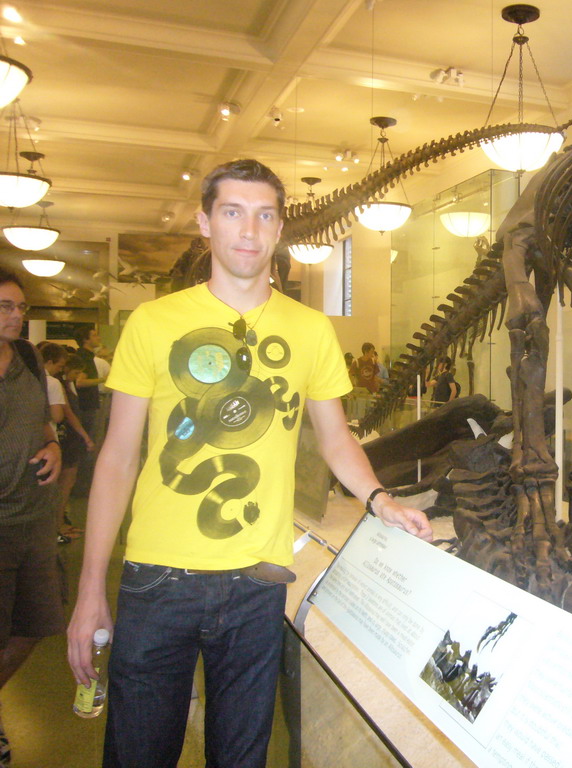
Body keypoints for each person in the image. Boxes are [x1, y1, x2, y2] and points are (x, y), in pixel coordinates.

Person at [66, 159, 432, 768]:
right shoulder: (153, 323)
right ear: (204, 223)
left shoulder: (311, 330)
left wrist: (380, 499)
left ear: (280, 228)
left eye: (264, 215)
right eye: (232, 212)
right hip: (158, 579)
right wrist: (88, 591)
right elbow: (118, 459)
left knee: (241, 758)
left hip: (258, 584)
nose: (248, 230)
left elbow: (336, 439)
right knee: (138, 753)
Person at [0, 269, 64, 768]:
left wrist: (53, 445)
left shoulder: (27, 359)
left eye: (20, 307)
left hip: (34, 521)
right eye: (6, 306)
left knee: (37, 623)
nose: (17, 316)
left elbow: (45, 420)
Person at [39, 345, 93, 540]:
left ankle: (57, 525)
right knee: (62, 484)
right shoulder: (53, 383)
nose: (61, 370)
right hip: (58, 438)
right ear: (50, 362)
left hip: (46, 440)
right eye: (60, 365)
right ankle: (57, 526)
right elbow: (61, 414)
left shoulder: (33, 380)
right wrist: (84, 435)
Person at [71, 325, 105, 440]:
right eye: (94, 335)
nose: (98, 338)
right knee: (89, 437)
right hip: (86, 406)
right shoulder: (84, 357)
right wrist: (104, 379)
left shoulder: (87, 356)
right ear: (85, 339)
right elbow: (80, 382)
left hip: (86, 405)